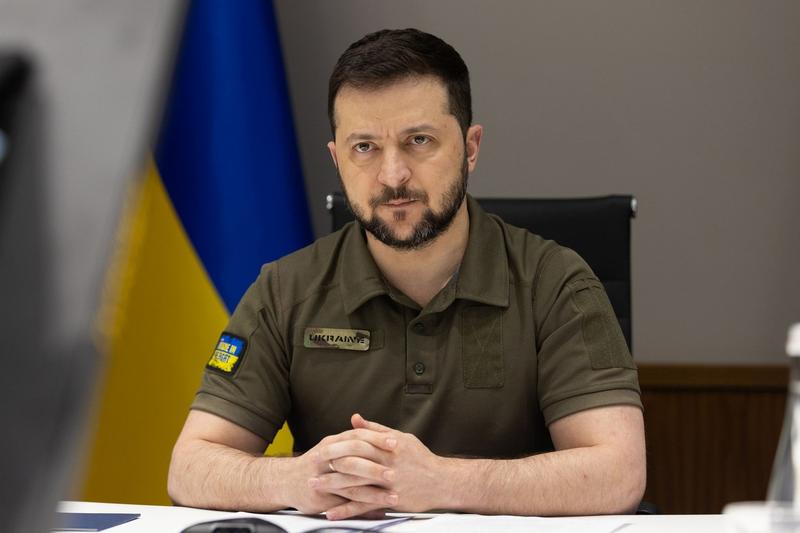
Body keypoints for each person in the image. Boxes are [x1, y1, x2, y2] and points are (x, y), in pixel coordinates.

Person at [168, 28, 645, 520]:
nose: (392, 175)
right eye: (364, 147)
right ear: (337, 160)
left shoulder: (557, 283)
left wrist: (443, 482)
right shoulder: (285, 290)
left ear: (471, 148)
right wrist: (297, 479)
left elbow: (618, 474)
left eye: (419, 141)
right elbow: (189, 467)